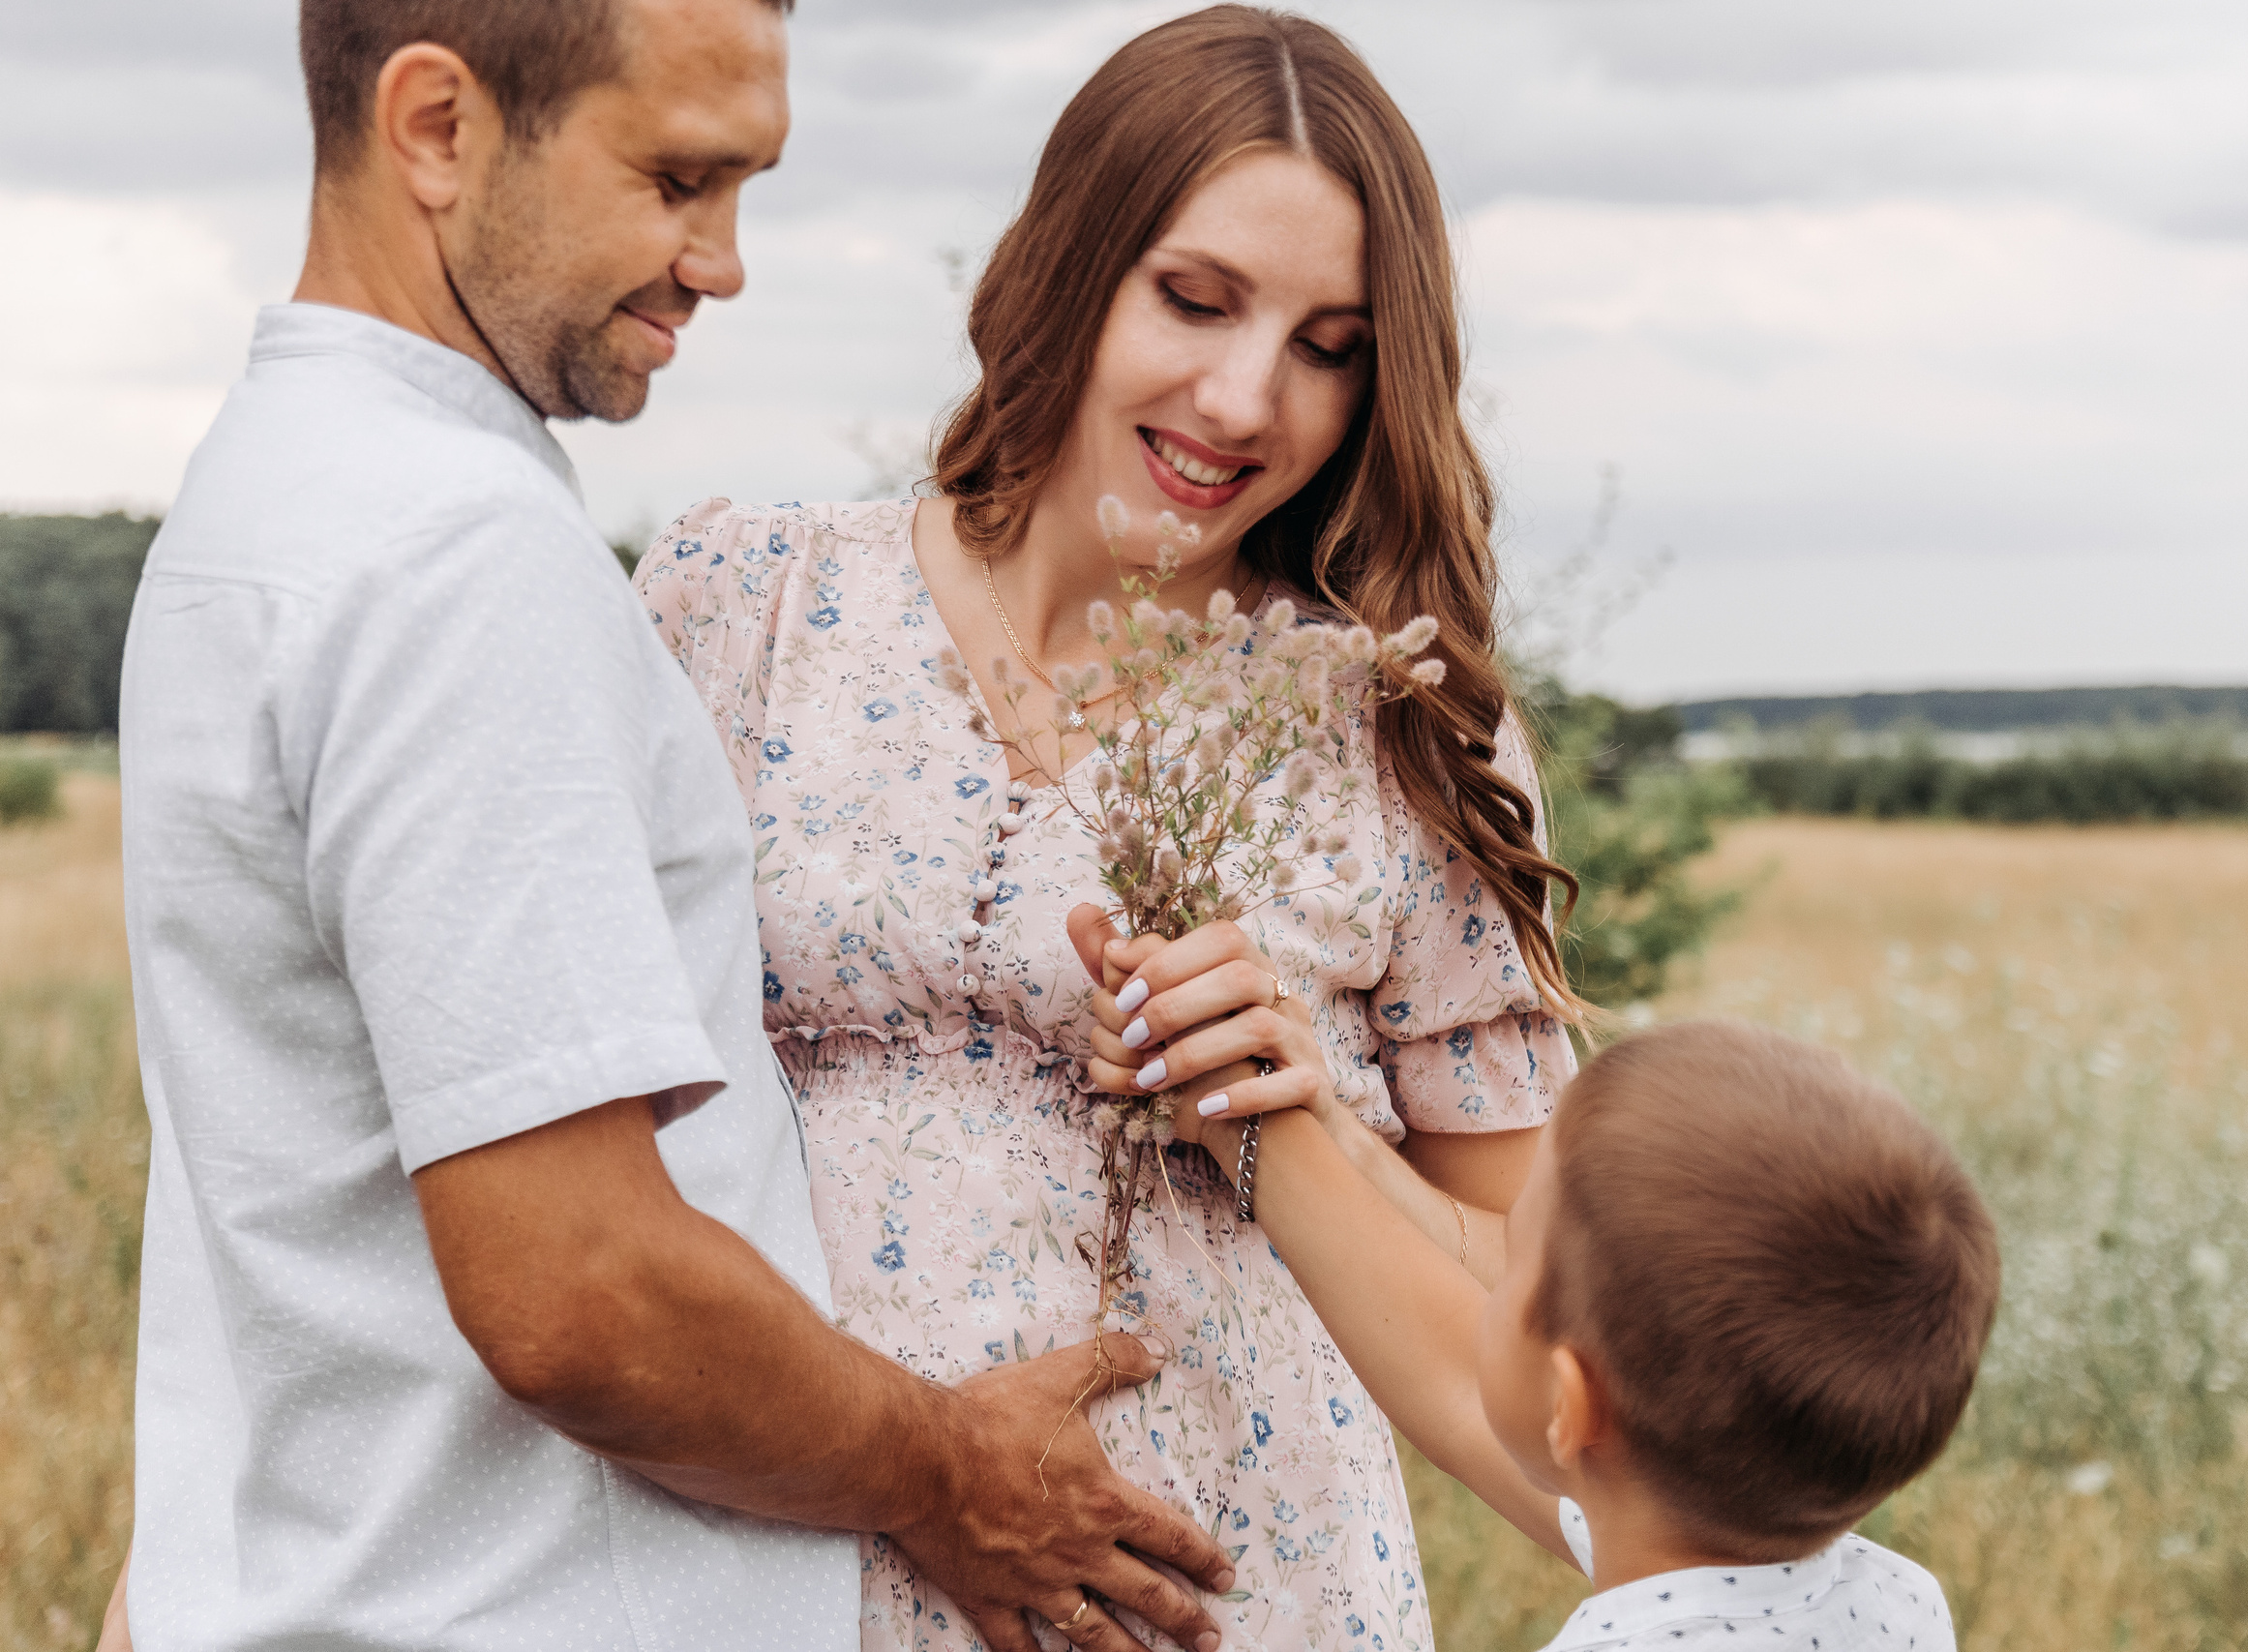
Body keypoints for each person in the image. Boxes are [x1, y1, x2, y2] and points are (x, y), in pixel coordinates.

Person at [103, 3, 1233, 1650]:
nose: (722, 262)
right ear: (438, 128)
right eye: (676, 179)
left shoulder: (268, 496)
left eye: (743, 188)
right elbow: (582, 1288)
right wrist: (948, 1472)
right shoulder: (455, 560)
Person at [632, 7, 1585, 1647]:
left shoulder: (1398, 718)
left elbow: (1550, 1326)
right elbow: (541, 1166)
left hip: (1241, 1597)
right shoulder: (746, 599)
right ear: (1068, 262)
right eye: (1196, 299)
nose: (1243, 397)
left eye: (1329, 343)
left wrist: (1312, 1126)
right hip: (773, 1576)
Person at [1091, 991, 1999, 1651]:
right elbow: (1444, 1382)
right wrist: (1300, 1126)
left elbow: (1457, 1390)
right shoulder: (1895, 1602)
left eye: (1513, 1254)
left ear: (1571, 1402)